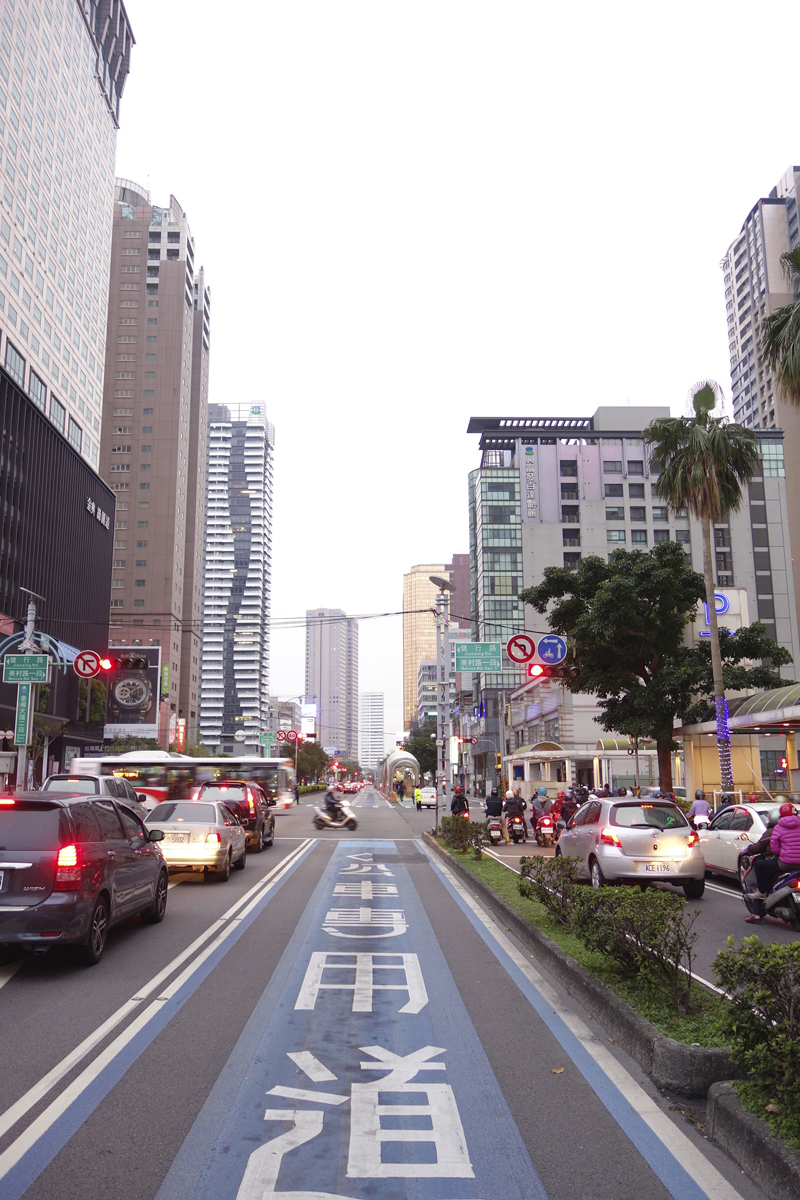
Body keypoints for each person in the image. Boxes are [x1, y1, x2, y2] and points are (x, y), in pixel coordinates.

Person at [747, 803, 800, 922]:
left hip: (785, 863)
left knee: (759, 865)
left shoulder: (778, 828)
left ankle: (760, 892)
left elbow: (775, 848)